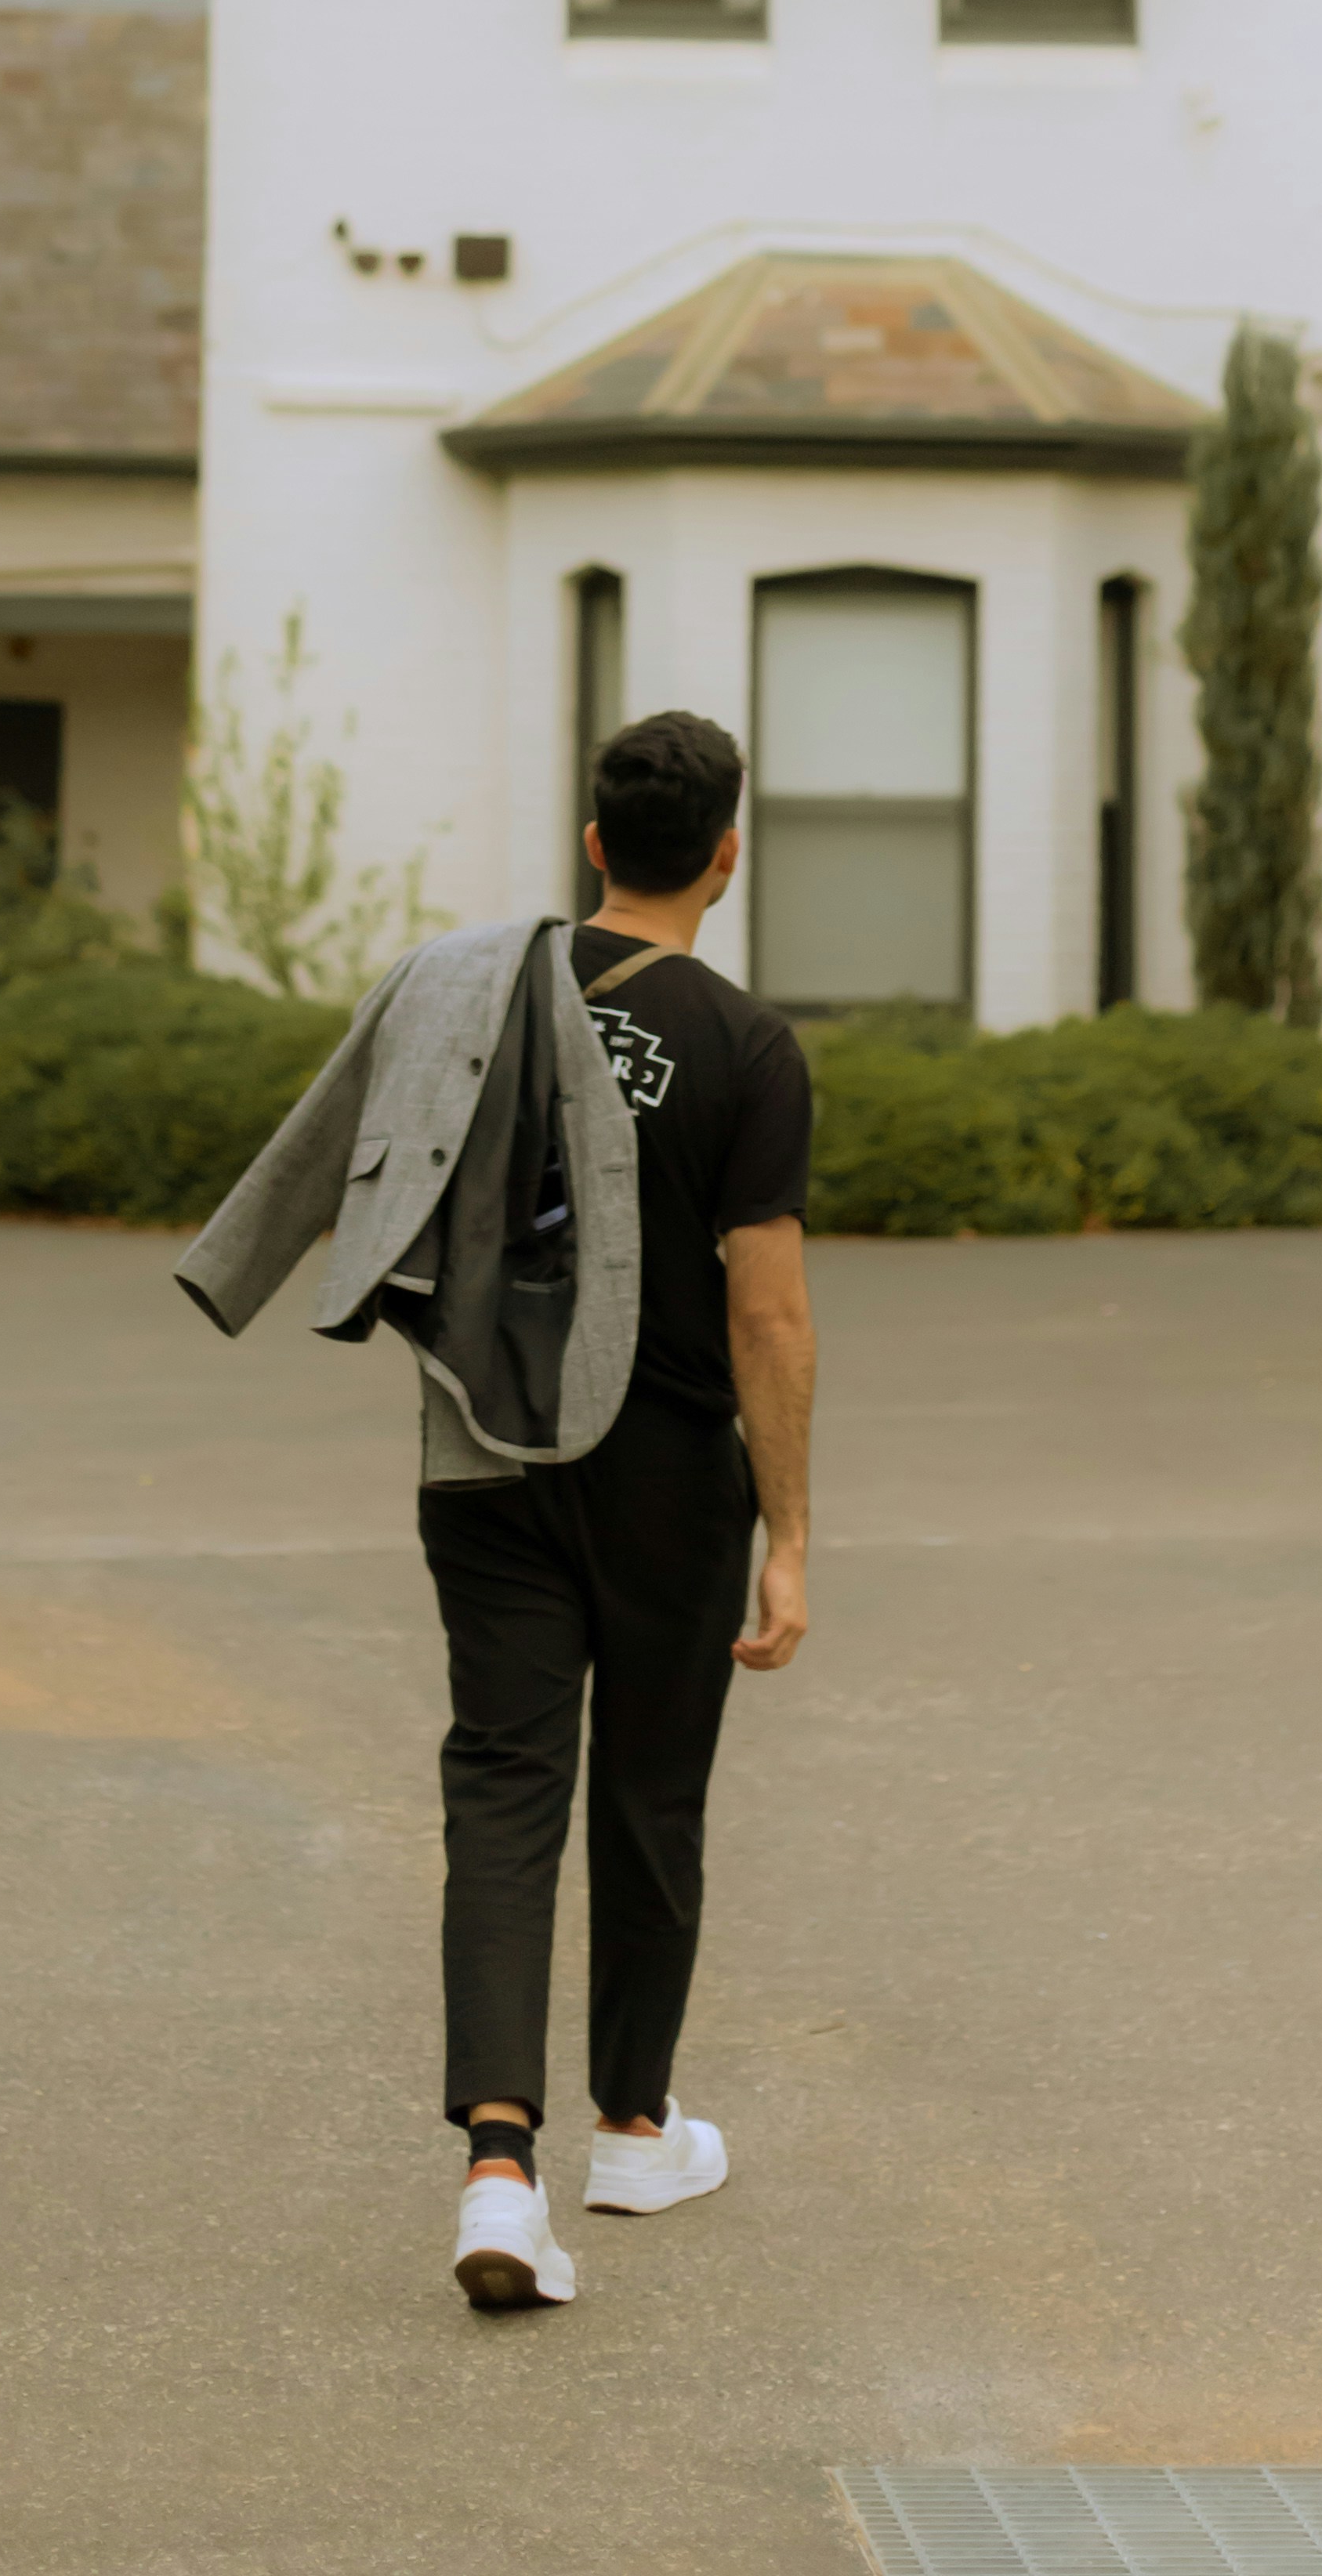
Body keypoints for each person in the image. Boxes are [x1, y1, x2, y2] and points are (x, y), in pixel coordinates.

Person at [173, 703, 814, 2316]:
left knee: (506, 1788)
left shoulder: (465, 992)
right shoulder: (744, 1046)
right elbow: (769, 1313)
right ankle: (633, 2123)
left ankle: (498, 2172)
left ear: (593, 844)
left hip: (482, 1454)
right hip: (670, 1476)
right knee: (649, 1793)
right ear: (724, 858)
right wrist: (789, 1528)